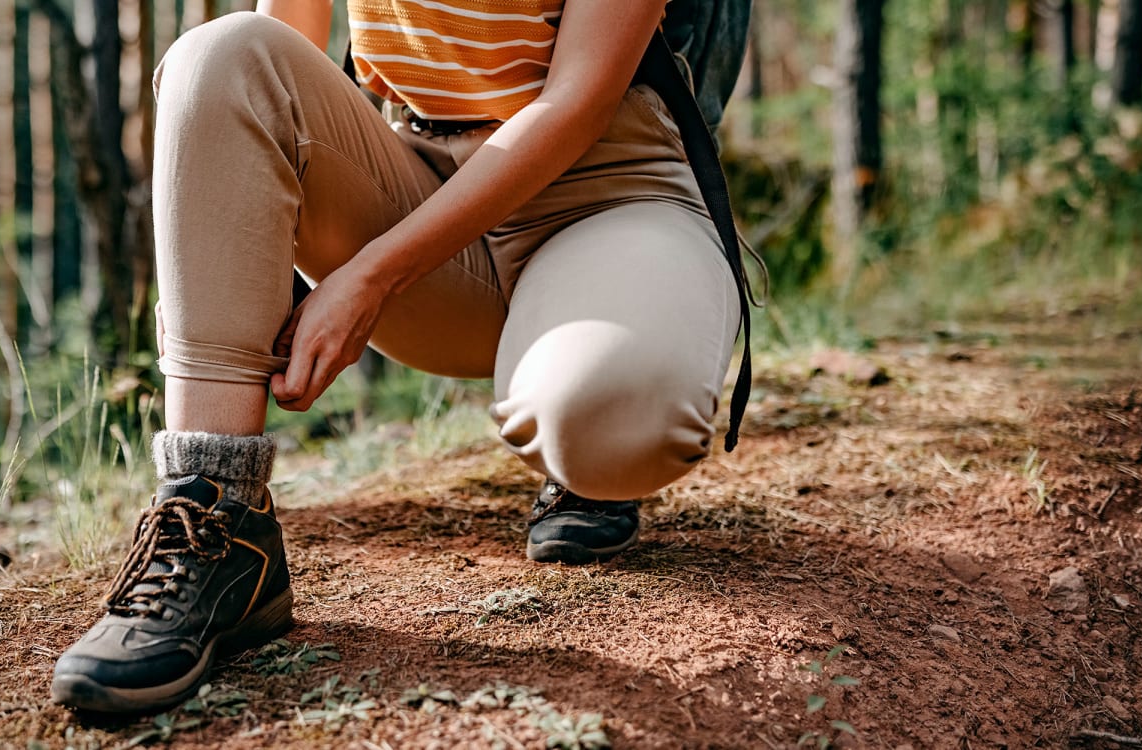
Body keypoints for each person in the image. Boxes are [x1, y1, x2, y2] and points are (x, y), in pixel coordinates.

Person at [51, 0, 753, 713]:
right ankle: (215, 518)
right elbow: (278, 63)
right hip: (419, 178)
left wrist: (370, 275)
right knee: (223, 57)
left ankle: (588, 412)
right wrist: (237, 264)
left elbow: (578, 99)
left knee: (611, 417)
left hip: (606, 188)